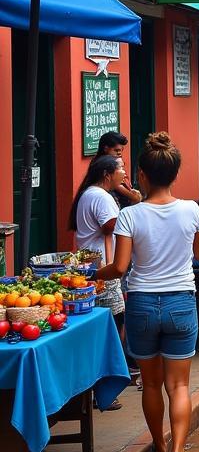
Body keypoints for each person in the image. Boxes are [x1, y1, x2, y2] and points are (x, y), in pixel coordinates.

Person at [94, 132, 199, 452]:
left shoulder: (130, 215)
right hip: (180, 302)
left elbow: (120, 267)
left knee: (153, 383)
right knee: (179, 386)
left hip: (142, 304)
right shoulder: (191, 210)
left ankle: (159, 448)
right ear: (174, 175)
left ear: (141, 175)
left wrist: (92, 274)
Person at [70, 155, 130, 401]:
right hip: (103, 268)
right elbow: (111, 226)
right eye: (121, 169)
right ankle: (105, 385)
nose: (124, 173)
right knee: (113, 323)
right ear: (107, 173)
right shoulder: (100, 196)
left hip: (96, 265)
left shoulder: (90, 194)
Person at [95, 131, 142, 206]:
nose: (119, 153)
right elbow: (116, 184)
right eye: (116, 150)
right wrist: (133, 196)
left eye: (121, 150)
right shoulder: (100, 165)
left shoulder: (115, 161)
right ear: (106, 149)